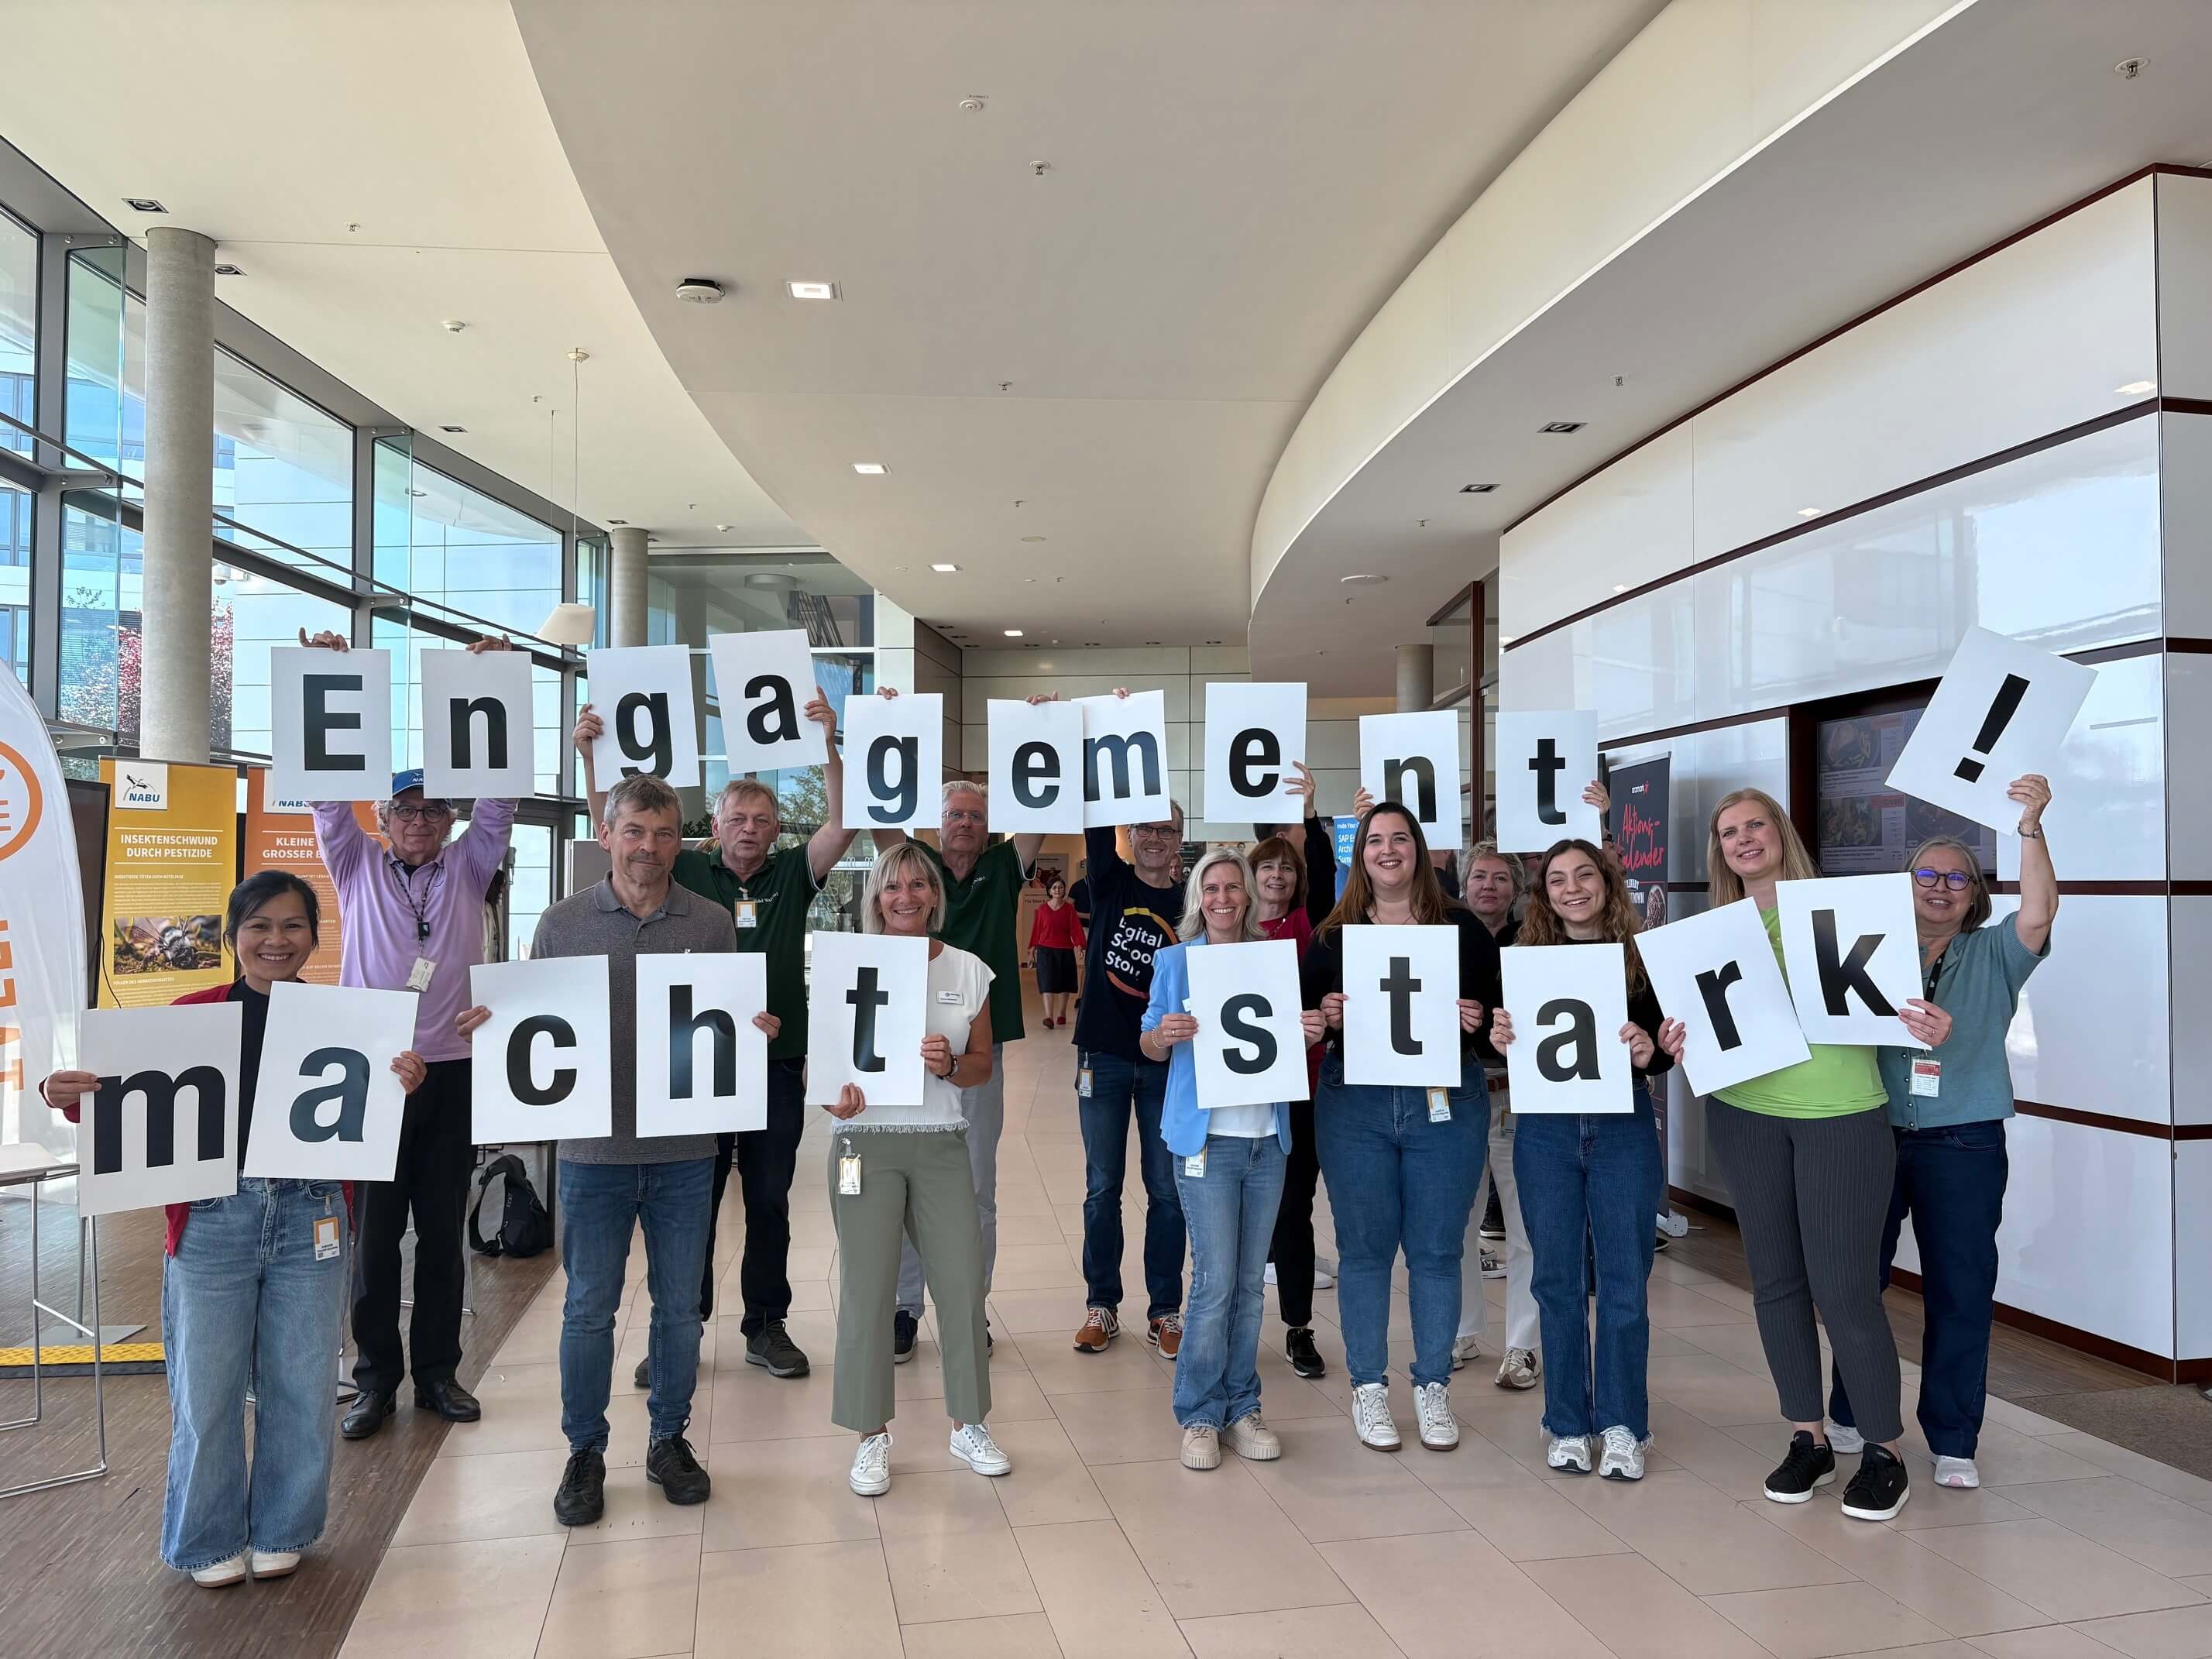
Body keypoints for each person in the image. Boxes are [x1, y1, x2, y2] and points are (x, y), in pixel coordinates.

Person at [43, 873, 426, 1585]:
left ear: (314, 937)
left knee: (302, 1380)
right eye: (259, 926)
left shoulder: (348, 1019)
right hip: (211, 1216)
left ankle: (284, 1525)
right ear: (232, 936)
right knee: (205, 1387)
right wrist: (59, 1093)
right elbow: (119, 1096)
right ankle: (209, 1538)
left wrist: (401, 1081)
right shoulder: (192, 1012)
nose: (275, 941)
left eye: (292, 926)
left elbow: (366, 1119)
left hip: (314, 1213)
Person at [458, 773, 754, 1527]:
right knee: (588, 1311)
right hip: (593, 1154)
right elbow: (538, 1027)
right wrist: (496, 1025)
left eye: (662, 834)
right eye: (634, 832)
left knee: (679, 1310)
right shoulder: (560, 924)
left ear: (680, 841)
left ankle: (668, 1439)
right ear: (606, 836)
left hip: (688, 1150)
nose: (648, 848)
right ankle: (584, 1451)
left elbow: (723, 1026)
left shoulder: (713, 923)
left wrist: (754, 1033)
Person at [1657, 788, 1950, 1523]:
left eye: (1756, 825)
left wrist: (1929, 1025)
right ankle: (1807, 1437)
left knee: (1845, 1289)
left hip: (1842, 1119)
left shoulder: (1845, 912)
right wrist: (1677, 1040)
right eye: (1729, 832)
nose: (1744, 839)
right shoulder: (1714, 932)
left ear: (1781, 833)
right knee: (1778, 1286)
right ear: (1720, 850)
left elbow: (1896, 1005)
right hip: (1745, 1116)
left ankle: (1884, 1450)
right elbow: (1708, 1023)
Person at [574, 686, 879, 1385]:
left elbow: (846, 819)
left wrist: (830, 742)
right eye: (737, 817)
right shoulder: (685, 867)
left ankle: (765, 1324)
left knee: (770, 1198)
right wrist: (591, 757)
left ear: (776, 830)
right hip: (693, 1063)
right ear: (713, 825)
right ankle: (682, 1327)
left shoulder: (795, 874)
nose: (749, 828)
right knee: (695, 1199)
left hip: (773, 1062)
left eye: (762, 819)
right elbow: (612, 830)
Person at [298, 627, 511, 1439]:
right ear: (383, 817)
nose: (417, 820)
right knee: (377, 1240)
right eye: (403, 808)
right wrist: (333, 673)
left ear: (450, 819)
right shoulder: (353, 862)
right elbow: (325, 790)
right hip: (376, 1071)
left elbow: (498, 799)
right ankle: (374, 1381)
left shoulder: (470, 863)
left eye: (431, 809)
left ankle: (439, 1375)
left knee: (444, 1237)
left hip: (452, 1068)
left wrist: (487, 683)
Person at [1826, 777, 2055, 1491]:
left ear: (1974, 894)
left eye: (1958, 877)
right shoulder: (1866, 951)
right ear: (1906, 883)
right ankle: (1852, 1411)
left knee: (1960, 1289)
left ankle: (1954, 1438)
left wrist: (2030, 828)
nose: (1942, 885)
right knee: (1858, 1284)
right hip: (1874, 1132)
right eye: (1928, 873)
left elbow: (2041, 914)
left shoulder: (1995, 953)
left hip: (1965, 1141)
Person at [1301, 800, 1500, 1452]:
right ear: (1361, 856)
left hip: (1445, 1102)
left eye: (1399, 839)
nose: (1387, 850)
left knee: (1439, 1251)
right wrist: (1323, 1013)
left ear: (1419, 847)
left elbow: (1503, 1028)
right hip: (1354, 1105)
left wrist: (1481, 1024)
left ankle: (1432, 1387)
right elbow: (1303, 1018)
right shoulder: (1333, 936)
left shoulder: (1467, 931)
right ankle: (1368, 1388)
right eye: (1375, 841)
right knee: (1363, 1252)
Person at [823, 842, 1011, 1497]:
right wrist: (834, 1098)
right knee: (868, 1293)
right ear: (876, 897)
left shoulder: (969, 970)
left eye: (918, 885)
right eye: (892, 886)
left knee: (960, 1286)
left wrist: (951, 1065)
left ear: (935, 895)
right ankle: (869, 1436)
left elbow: (983, 1063)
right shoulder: (845, 964)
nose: (905, 896)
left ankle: (969, 1424)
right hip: (863, 1145)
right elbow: (828, 1065)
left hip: (939, 1143)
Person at [1491, 837, 1673, 1480]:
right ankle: (1566, 1420)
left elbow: (1667, 1046)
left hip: (1623, 1125)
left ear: (1606, 883)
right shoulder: (1522, 959)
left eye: (1585, 875)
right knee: (1557, 1281)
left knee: (1625, 1281)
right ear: (1544, 893)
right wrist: (1500, 1034)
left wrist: (1651, 1050)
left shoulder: (1641, 960)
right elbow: (1503, 1036)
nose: (1572, 887)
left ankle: (1623, 1423)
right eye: (1558, 878)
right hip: (1545, 1131)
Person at [1142, 847, 1326, 1470]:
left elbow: (1284, 1040)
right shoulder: (1176, 961)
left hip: (1266, 1142)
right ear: (1198, 897)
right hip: (1206, 1144)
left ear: (1247, 895)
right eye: (1210, 887)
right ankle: (1198, 1411)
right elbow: (1148, 1041)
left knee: (1250, 1284)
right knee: (1216, 1282)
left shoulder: (1271, 961)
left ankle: (1242, 1403)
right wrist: (1162, 1035)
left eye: (1232, 887)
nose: (1222, 897)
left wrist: (1306, 1032)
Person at [873, 761, 1049, 1365]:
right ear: (937, 823)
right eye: (955, 815)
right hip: (903, 1048)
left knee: (975, 1188)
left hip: (976, 1050)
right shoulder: (915, 869)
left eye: (976, 816)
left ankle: (969, 1309)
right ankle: (904, 1308)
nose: (966, 824)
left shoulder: (1003, 869)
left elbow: (1037, 819)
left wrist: (1042, 738)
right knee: (902, 1188)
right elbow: (880, 824)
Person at [1054, 685, 1187, 1356]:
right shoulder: (1108, 881)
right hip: (1102, 1055)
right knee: (1101, 1186)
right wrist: (1096, 729)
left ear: (1180, 838)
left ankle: (1166, 1308)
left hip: (1167, 1062)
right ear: (1130, 835)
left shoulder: (1197, 901)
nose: (1156, 838)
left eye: (1167, 828)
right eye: (1145, 827)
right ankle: (1103, 1304)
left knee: (1166, 1187)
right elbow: (1091, 809)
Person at [1249, 759, 1344, 1382]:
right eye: (1267, 866)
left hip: (1303, 1085)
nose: (1277, 875)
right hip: (1241, 1088)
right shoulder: (1225, 928)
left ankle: (1298, 1327)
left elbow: (1326, 870)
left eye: (1287, 867)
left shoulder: (1314, 925)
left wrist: (1307, 815)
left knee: (1293, 1208)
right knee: (1232, 1210)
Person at [1456, 840, 1542, 1393]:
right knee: (1455, 1222)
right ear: (1463, 885)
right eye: (1479, 877)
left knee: (1524, 1224)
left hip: (1516, 1095)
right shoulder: (1444, 940)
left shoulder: (1535, 943)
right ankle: (1460, 1330)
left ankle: (1523, 1346)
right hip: (1458, 1093)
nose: (1489, 886)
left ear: (1516, 890)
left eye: (1500, 879)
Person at [1030, 874, 1084, 1029]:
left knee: (1064, 984)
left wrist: (1080, 945)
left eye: (1060, 887)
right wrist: (1032, 948)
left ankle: (1061, 1014)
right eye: (1054, 887)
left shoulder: (1069, 910)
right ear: (1049, 890)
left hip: (1065, 950)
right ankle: (1049, 1017)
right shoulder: (1042, 909)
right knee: (1047, 983)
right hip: (1045, 950)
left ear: (1064, 890)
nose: (1057, 890)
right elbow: (1037, 929)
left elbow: (1076, 929)